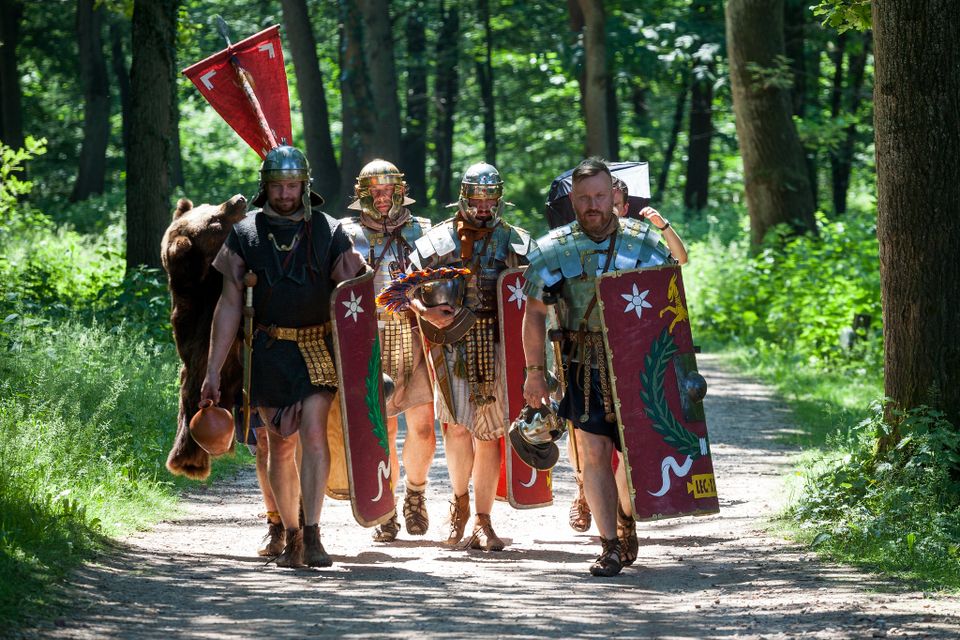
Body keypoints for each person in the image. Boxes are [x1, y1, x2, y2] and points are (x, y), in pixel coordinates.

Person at [200, 145, 367, 568]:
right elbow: (229, 305)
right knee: (279, 444)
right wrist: (212, 372)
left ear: (305, 186)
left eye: (293, 185)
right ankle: (291, 533)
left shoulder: (329, 231)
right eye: (278, 185)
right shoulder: (246, 234)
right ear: (266, 187)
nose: (286, 193)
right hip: (269, 350)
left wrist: (363, 274)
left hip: (315, 346)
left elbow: (354, 295)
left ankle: (312, 533)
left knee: (313, 433)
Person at [521, 157, 687, 577]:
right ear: (573, 200)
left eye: (599, 196)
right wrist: (535, 371)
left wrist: (674, 367)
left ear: (614, 195)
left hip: (637, 366)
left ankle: (625, 516)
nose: (592, 205)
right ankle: (609, 544)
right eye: (584, 198)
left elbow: (668, 296)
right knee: (594, 453)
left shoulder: (643, 242)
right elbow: (534, 311)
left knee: (634, 455)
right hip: (583, 364)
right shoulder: (553, 248)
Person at [406, 162, 534, 551]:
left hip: (498, 343)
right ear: (463, 198)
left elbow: (538, 291)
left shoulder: (515, 240)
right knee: (458, 429)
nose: (483, 207)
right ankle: (458, 504)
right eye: (477, 200)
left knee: (490, 434)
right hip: (452, 344)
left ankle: (483, 519)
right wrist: (426, 311)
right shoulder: (439, 239)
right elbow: (406, 287)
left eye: (489, 200)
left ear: (499, 199)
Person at [566, 172, 689, 536]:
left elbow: (677, 263)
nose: (612, 209)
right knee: (589, 441)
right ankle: (585, 493)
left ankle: (624, 516)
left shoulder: (639, 244)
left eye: (617, 203)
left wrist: (663, 226)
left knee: (632, 444)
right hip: (586, 354)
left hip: (631, 354)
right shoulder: (573, 244)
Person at [340, 160, 437, 542]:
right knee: (384, 428)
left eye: (389, 191)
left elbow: (441, 283)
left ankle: (415, 494)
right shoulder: (348, 235)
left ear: (401, 191)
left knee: (423, 427)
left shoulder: (422, 231)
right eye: (375, 192)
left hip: (414, 334)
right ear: (362, 194)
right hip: (370, 338)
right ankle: (387, 504)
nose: (382, 199)